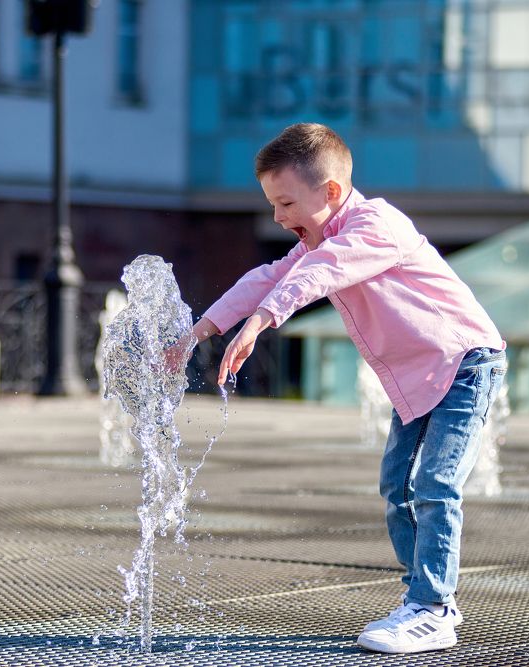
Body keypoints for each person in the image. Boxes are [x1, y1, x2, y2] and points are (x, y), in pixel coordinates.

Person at [188, 123, 507, 654]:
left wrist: (264, 321)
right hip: (417, 377)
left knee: (435, 483)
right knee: (396, 487)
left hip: (464, 363)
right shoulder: (321, 237)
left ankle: (433, 609)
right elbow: (268, 277)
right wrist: (199, 331)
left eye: (286, 202)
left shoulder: (376, 225)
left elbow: (322, 274)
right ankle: (420, 600)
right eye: (273, 204)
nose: (278, 218)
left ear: (331, 192)